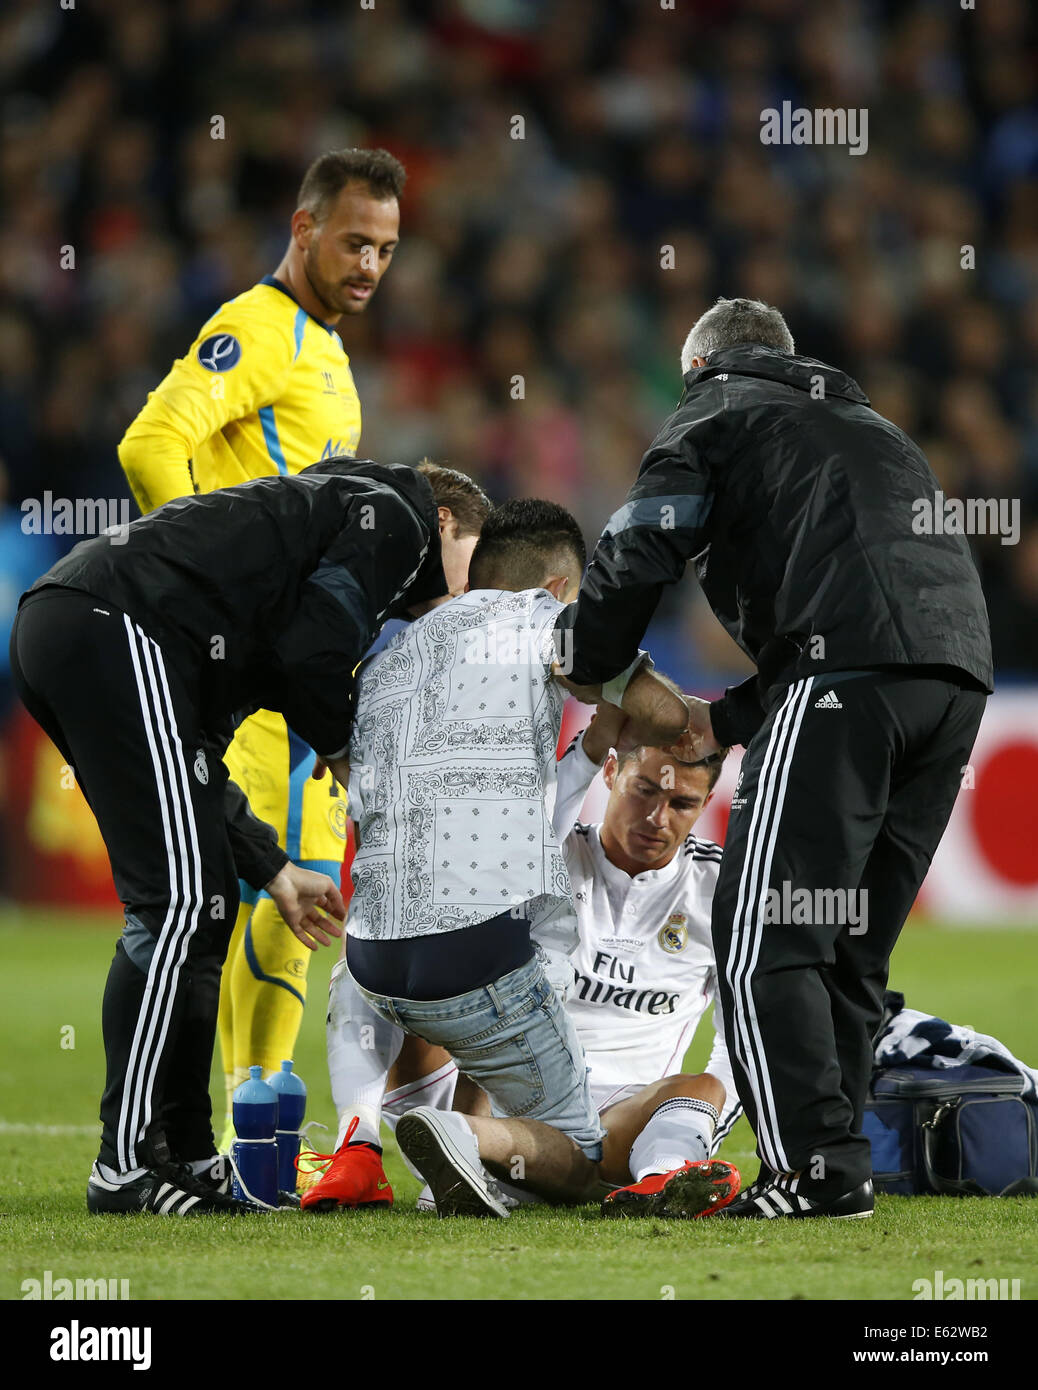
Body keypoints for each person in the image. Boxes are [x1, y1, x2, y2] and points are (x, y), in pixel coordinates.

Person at [558, 296, 992, 1220]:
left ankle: (809, 1174)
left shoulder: (715, 408)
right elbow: (872, 581)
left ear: (701, 368)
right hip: (955, 683)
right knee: (849, 940)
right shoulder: (873, 429)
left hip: (845, 679)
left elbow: (643, 540)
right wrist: (735, 717)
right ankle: (840, 1168)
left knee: (763, 940)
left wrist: (590, 659)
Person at [10, 456, 479, 1214]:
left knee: (203, 907)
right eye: (470, 571)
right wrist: (349, 759)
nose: (461, 597)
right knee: (177, 908)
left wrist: (276, 869)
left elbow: (201, 763)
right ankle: (123, 1165)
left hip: (95, 631)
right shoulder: (398, 516)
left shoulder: (278, 572)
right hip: (109, 624)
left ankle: (186, 1155)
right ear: (449, 522)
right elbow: (315, 653)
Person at [117, 148, 412, 1145]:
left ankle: (255, 1132)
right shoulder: (260, 327)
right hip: (263, 679)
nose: (370, 264)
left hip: (283, 672)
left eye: (385, 248)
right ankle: (257, 1125)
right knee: (292, 895)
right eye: (353, 241)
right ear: (302, 228)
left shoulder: (321, 347)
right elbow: (148, 446)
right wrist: (214, 594)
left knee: (275, 900)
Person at [302, 499, 690, 1216]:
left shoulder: (393, 652)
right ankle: (461, 1133)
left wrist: (590, 745)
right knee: (580, 1162)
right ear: (560, 590)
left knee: (402, 939)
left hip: (373, 968)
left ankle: (356, 1147)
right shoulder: (546, 621)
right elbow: (666, 719)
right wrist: (658, 706)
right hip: (479, 966)